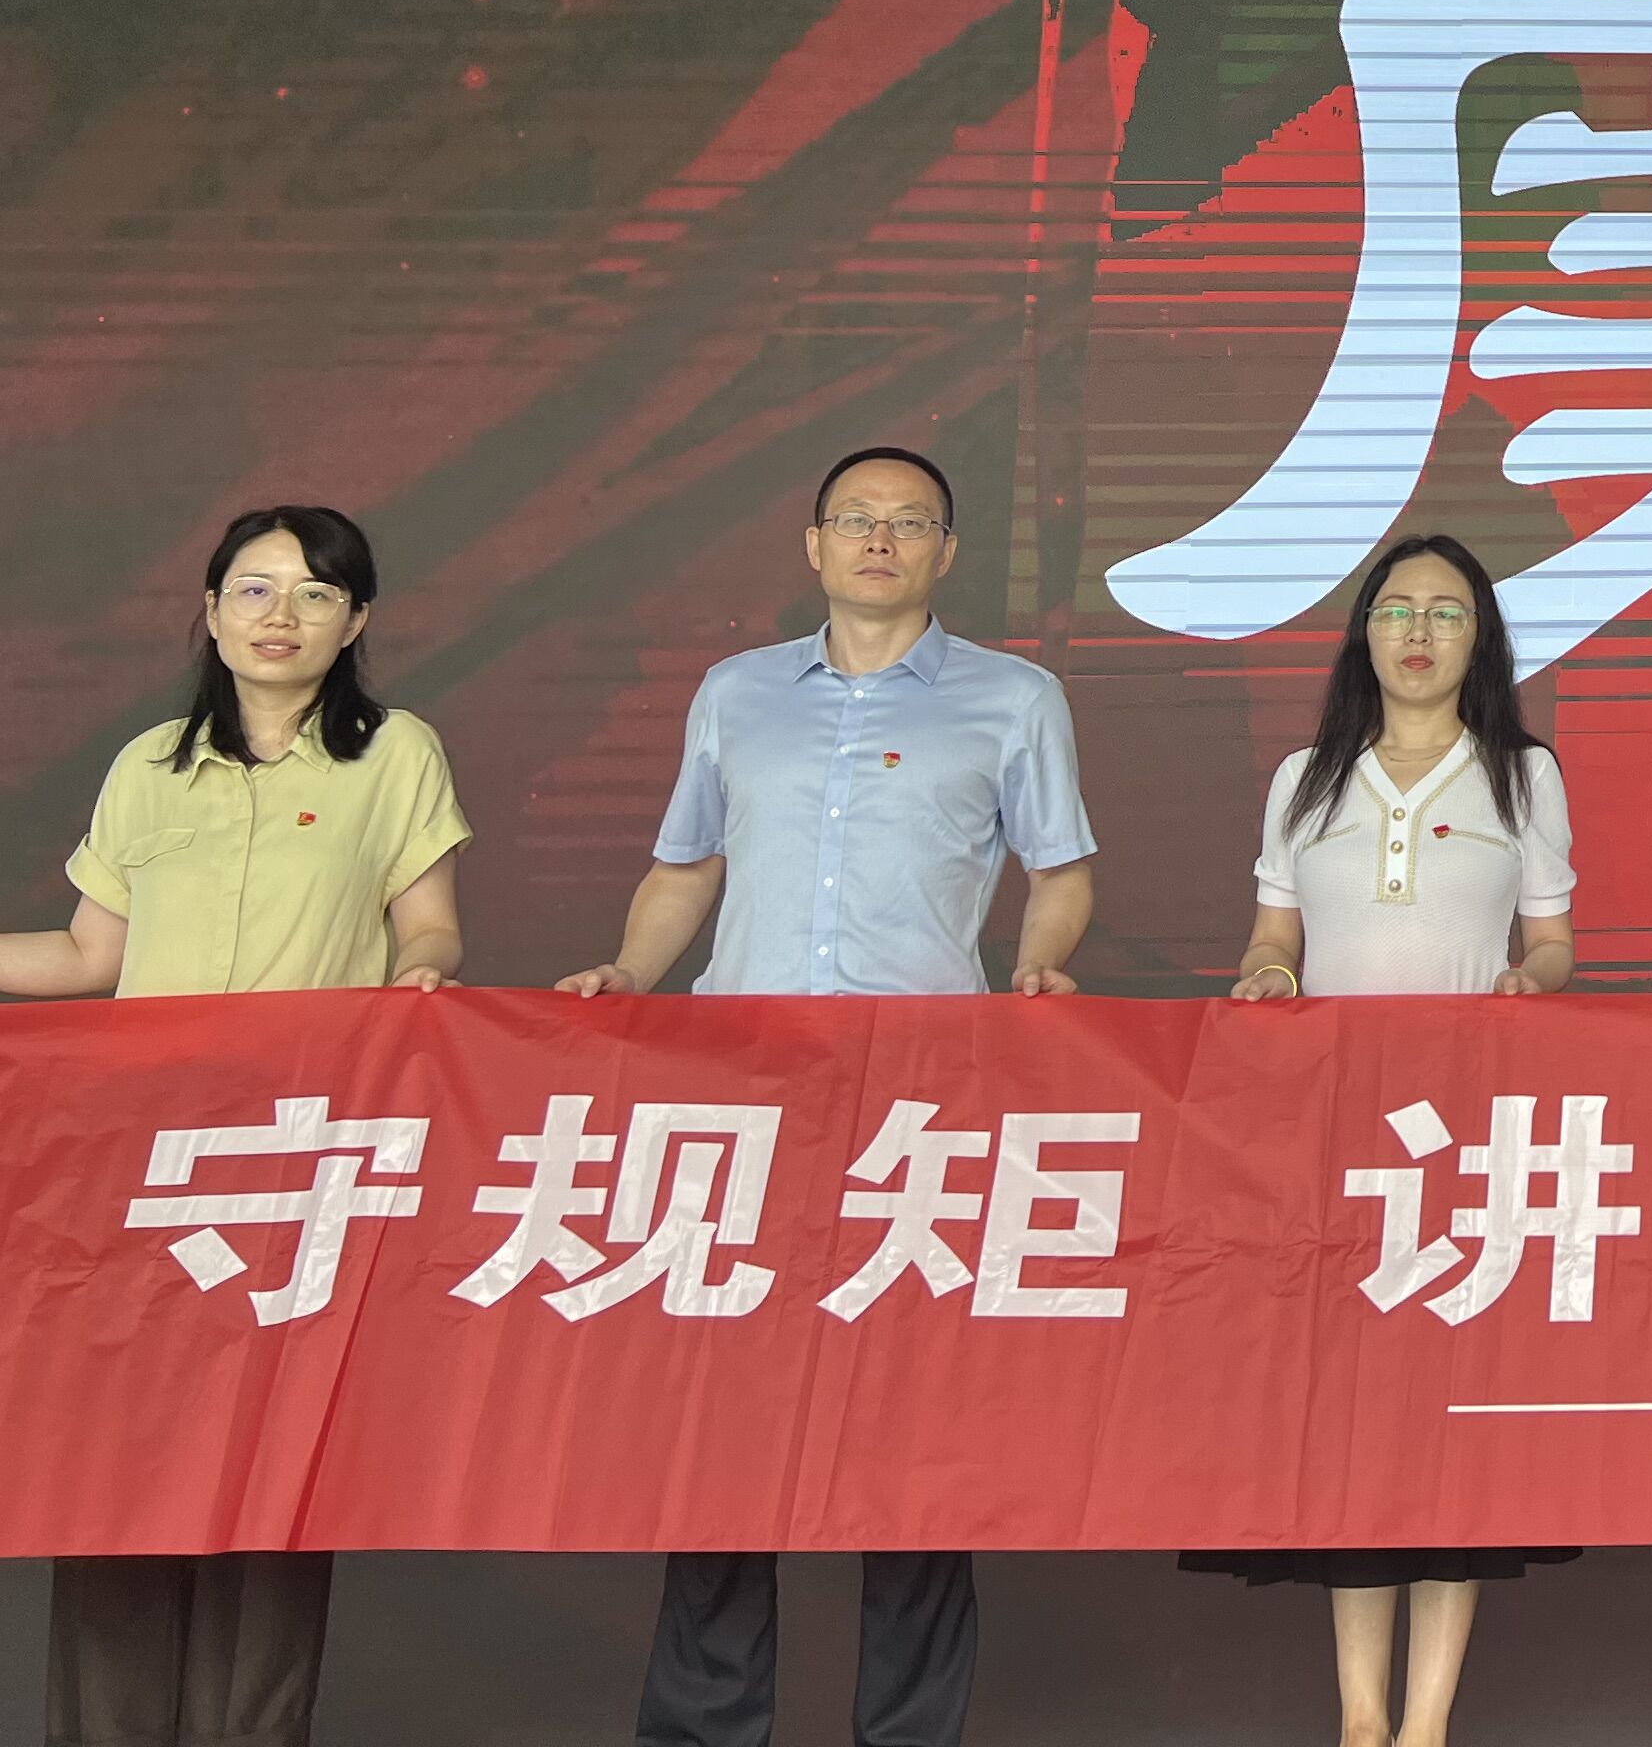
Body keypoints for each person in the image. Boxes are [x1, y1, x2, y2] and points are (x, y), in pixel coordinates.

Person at [559, 446, 1095, 1747]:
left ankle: (907, 1732)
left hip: (920, 1110)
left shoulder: (1015, 697)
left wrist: (1041, 962)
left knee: (912, 1440)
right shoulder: (736, 694)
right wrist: (629, 972)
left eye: (909, 522)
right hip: (742, 1105)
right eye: (856, 519)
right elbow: (686, 865)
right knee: (722, 1431)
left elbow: (1061, 869)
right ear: (813, 545)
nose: (879, 540)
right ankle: (705, 1728)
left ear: (946, 552)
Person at [0, 503, 467, 1747]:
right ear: (210, 611)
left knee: (272, 1470)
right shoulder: (149, 768)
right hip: (143, 1164)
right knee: (117, 1465)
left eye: (316, 594)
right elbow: (90, 956)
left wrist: (422, 976)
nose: (281, 616)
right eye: (254, 589)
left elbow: (429, 923)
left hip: (297, 1171)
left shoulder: (395, 753)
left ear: (355, 622)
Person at [1186, 530, 1578, 1746]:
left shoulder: (1522, 774)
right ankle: (1361, 1719)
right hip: (1332, 1140)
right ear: (1364, 631)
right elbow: (1275, 934)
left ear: (1480, 640)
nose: (1419, 632)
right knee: (1349, 1419)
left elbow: (1553, 941)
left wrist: (1531, 983)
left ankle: (1427, 1723)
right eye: (1398, 609)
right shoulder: (1307, 776)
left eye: (1447, 613)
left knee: (1448, 1416)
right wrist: (1265, 974)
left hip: (1465, 1139)